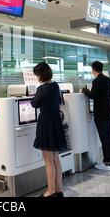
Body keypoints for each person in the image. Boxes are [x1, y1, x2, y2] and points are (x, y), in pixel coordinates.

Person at [31, 62, 66, 198]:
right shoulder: (55, 85)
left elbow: (34, 103)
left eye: (37, 74)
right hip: (56, 121)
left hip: (46, 123)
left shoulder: (41, 89)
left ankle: (50, 191)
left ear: (41, 74)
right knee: (55, 157)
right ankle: (59, 189)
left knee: (48, 160)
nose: (37, 77)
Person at [82, 61, 110, 171]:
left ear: (93, 70)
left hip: (100, 113)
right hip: (108, 112)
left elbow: (93, 95)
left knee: (104, 138)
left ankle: (107, 163)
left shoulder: (97, 81)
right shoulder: (108, 80)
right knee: (109, 137)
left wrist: (85, 91)